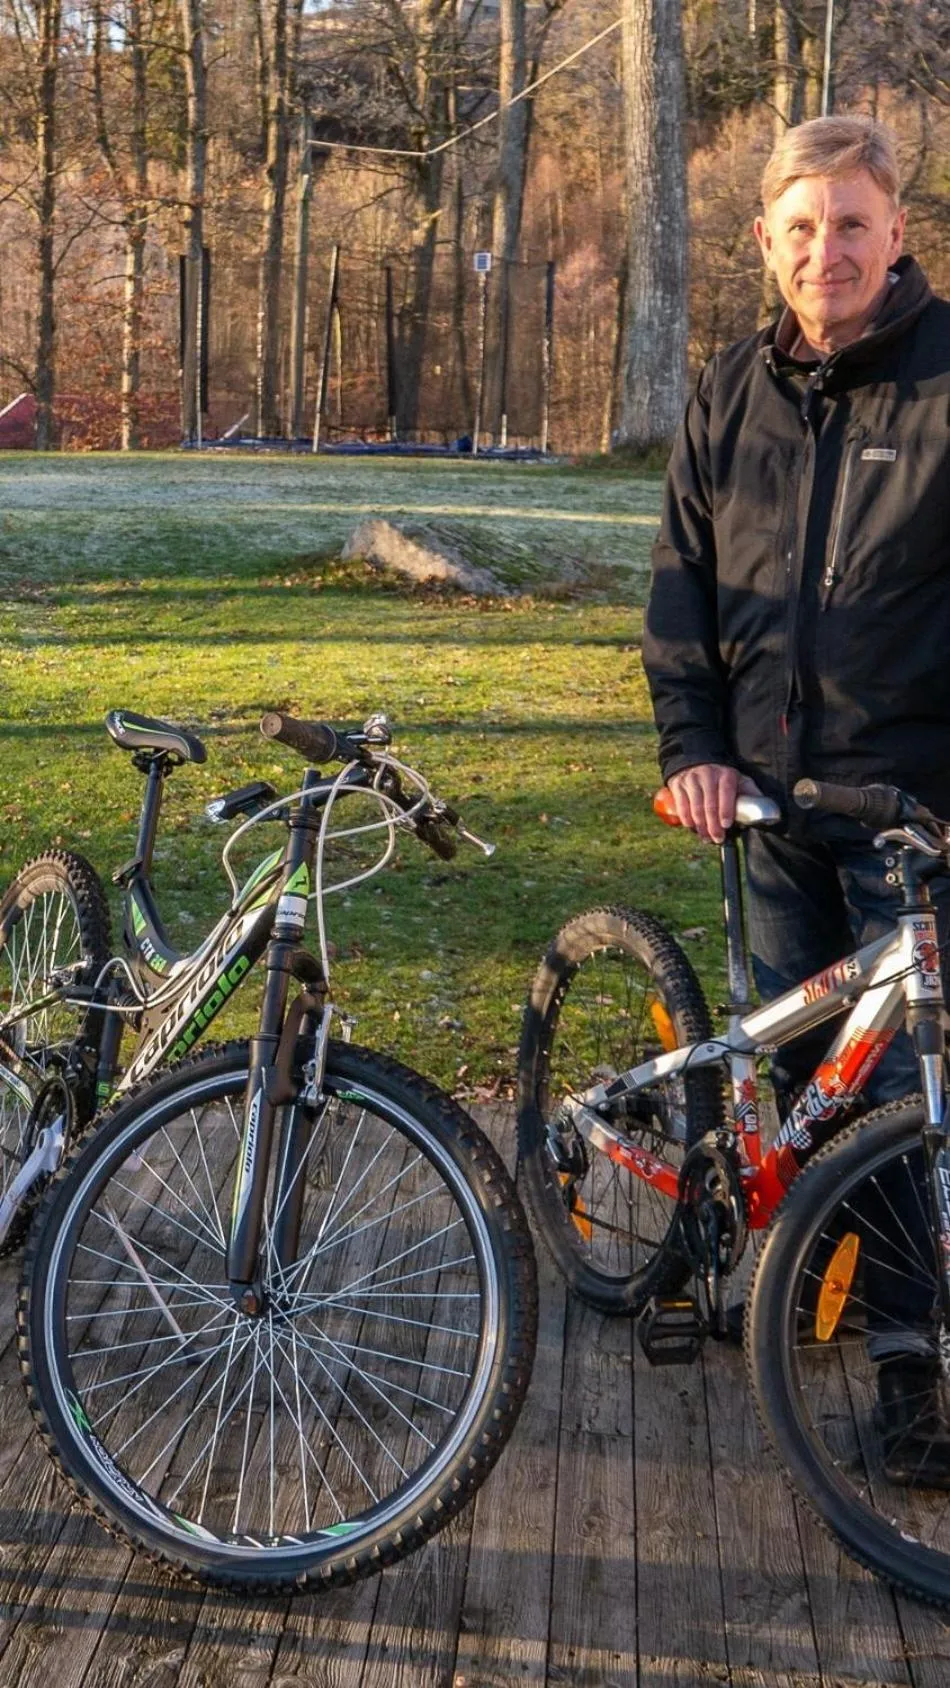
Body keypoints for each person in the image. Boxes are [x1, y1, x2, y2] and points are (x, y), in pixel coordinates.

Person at [642, 114, 950, 1483]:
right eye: (798, 228)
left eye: (850, 224)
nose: (824, 250)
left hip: (910, 810)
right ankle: (803, 1261)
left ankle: (904, 1372)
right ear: (765, 244)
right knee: (791, 1077)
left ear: (896, 235)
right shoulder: (728, 392)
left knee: (894, 1100)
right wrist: (689, 750)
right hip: (761, 802)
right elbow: (682, 596)